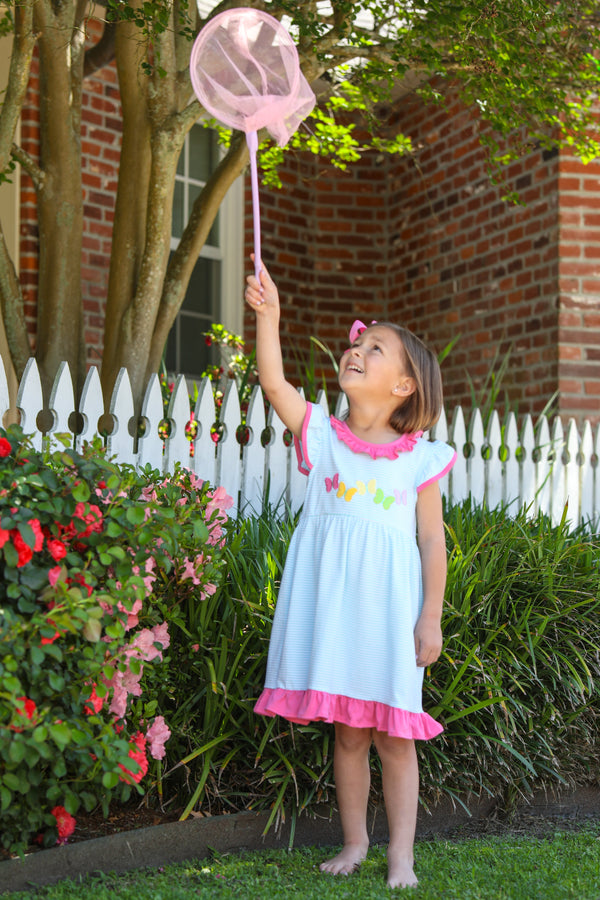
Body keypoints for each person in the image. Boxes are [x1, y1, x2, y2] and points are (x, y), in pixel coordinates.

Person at [245, 262, 457, 890]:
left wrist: (431, 615)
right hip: (337, 610)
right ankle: (357, 842)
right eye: (356, 344)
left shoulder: (420, 459)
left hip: (390, 614)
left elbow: (429, 539)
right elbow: (274, 382)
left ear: (404, 386)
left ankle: (402, 856)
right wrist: (270, 318)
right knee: (349, 736)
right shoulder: (324, 436)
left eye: (374, 348)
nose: (356, 350)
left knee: (395, 737)